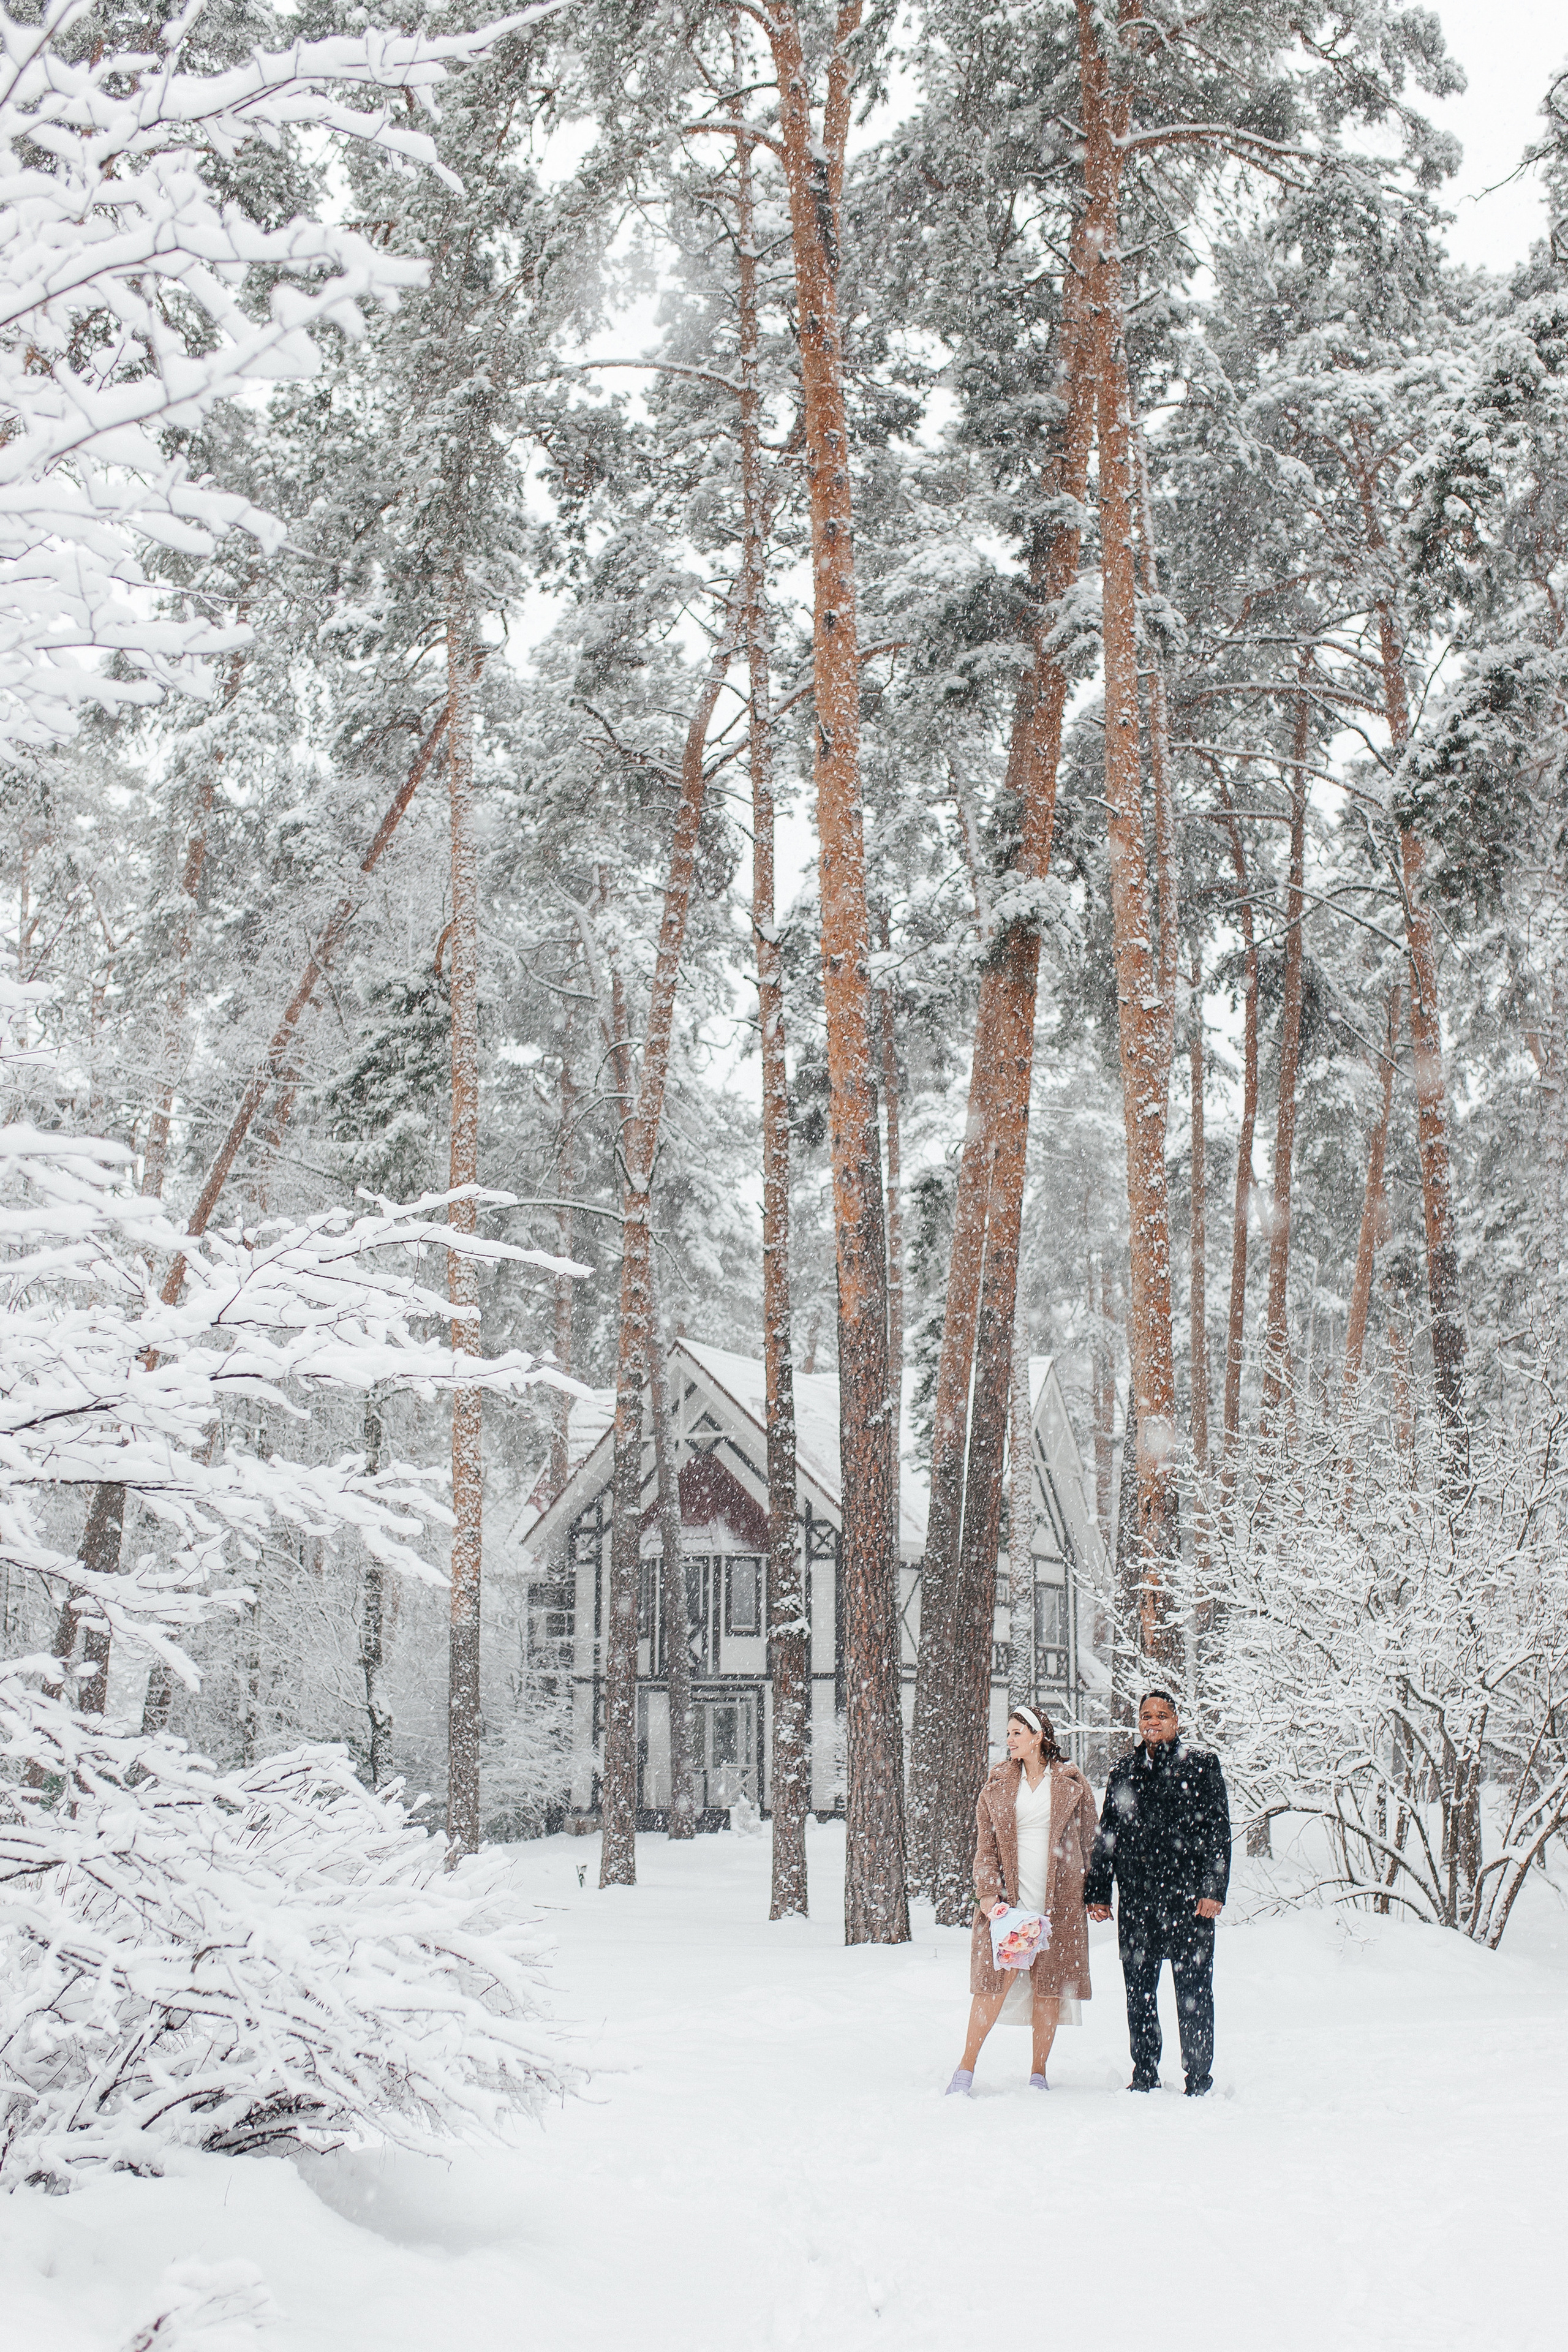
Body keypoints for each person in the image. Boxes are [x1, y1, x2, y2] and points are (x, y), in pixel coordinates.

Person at [1084, 1688, 1231, 2096]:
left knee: (1194, 1993)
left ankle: (1198, 2079)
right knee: (1139, 1993)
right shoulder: (1124, 1770)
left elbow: (1218, 1833)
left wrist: (1213, 1889)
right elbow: (1108, 1833)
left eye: (1161, 1715)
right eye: (1146, 1715)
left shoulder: (1201, 1766)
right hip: (1139, 1901)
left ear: (1176, 1721)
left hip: (1190, 1902)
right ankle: (1145, 2072)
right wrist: (1098, 1890)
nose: (1153, 1722)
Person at [945, 1705, 1099, 2097]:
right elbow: (985, 1846)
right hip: (1011, 1904)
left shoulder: (1071, 1782)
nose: (1010, 1740)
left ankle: (1038, 2074)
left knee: (1048, 1986)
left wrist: (1094, 1891)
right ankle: (965, 2069)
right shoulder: (997, 1783)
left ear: (1037, 1736)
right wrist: (987, 1893)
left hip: (1059, 1900)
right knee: (993, 1984)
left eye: (1017, 1732)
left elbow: (1090, 1842)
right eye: (1009, 1733)